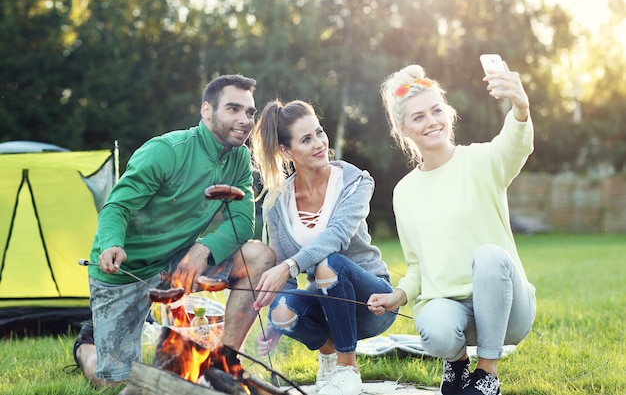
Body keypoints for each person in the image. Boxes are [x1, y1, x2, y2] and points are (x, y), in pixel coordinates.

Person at [72, 74, 275, 389]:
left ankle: (226, 362)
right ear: (206, 111)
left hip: (177, 262)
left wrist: (203, 248)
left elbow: (242, 222)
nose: (245, 120)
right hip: (126, 269)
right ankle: (86, 345)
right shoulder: (165, 151)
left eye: (250, 112)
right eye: (233, 109)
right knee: (115, 382)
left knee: (259, 256)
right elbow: (116, 208)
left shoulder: (239, 158)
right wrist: (112, 243)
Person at [367, 63, 536, 395]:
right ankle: (457, 366)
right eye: (418, 117)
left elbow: (516, 144)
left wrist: (521, 105)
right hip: (452, 309)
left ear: (448, 113)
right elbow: (417, 264)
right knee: (436, 329)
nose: (431, 121)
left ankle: (486, 374)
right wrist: (397, 296)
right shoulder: (405, 191)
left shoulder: (481, 161)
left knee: (489, 257)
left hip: (509, 308)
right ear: (404, 131)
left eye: (435, 110)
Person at [250, 99, 397, 395]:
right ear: (286, 151)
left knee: (328, 263)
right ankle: (328, 352)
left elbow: (337, 236)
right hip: (326, 304)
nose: (319, 143)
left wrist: (289, 266)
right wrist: (278, 325)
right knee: (279, 312)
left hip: (372, 301)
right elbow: (285, 280)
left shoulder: (355, 181)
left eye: (319, 132)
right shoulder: (277, 202)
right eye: (306, 139)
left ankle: (348, 368)